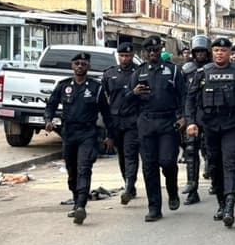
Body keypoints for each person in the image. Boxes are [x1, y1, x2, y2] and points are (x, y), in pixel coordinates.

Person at [185, 37, 235, 228]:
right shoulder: (203, 73)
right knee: (214, 165)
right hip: (211, 126)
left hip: (234, 125)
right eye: (216, 51)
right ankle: (221, 204)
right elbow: (190, 99)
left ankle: (230, 205)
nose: (219, 54)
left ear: (230, 53)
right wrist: (190, 122)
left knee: (230, 163)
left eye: (223, 50)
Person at [44, 52, 114, 225]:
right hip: (69, 133)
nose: (80, 66)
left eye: (83, 63)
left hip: (88, 134)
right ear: (72, 66)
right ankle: (76, 201)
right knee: (72, 170)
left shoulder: (96, 88)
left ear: (88, 67)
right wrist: (48, 120)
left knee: (84, 168)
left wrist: (110, 136)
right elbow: (51, 105)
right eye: (77, 63)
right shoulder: (63, 86)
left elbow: (106, 114)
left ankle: (81, 205)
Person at [129, 35, 185, 223]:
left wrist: (184, 117)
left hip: (167, 121)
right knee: (149, 166)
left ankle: (172, 190)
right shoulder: (138, 72)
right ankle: (154, 207)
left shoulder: (173, 71)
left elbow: (183, 96)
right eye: (149, 51)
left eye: (156, 50)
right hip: (146, 122)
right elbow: (128, 100)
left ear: (161, 51)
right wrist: (134, 93)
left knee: (168, 161)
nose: (152, 53)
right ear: (144, 53)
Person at [101, 42, 140, 205]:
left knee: (131, 154)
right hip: (115, 120)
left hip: (133, 120)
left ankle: (129, 187)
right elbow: (105, 96)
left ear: (133, 56)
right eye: (122, 55)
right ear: (118, 56)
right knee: (122, 156)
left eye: (128, 55)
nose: (125, 58)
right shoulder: (109, 74)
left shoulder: (139, 73)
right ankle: (128, 184)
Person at [180, 35, 211, 206]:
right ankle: (192, 189)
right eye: (197, 51)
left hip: (211, 114)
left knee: (213, 151)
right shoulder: (186, 70)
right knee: (191, 150)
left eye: (202, 51)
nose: (200, 54)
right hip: (193, 114)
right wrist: (184, 116)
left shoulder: (214, 68)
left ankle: (216, 181)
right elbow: (182, 95)